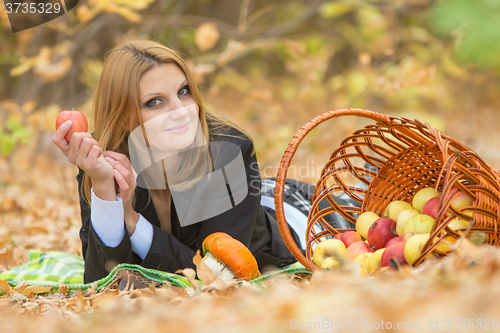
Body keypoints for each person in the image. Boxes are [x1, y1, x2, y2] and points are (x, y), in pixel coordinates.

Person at [52, 39, 351, 284]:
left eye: (183, 92)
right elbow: (100, 281)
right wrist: (104, 187)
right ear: (125, 114)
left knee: (365, 209)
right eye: (154, 102)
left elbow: (215, 274)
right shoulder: (102, 159)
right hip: (257, 197)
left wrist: (130, 219)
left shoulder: (231, 151)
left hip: (300, 220)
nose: (181, 111)